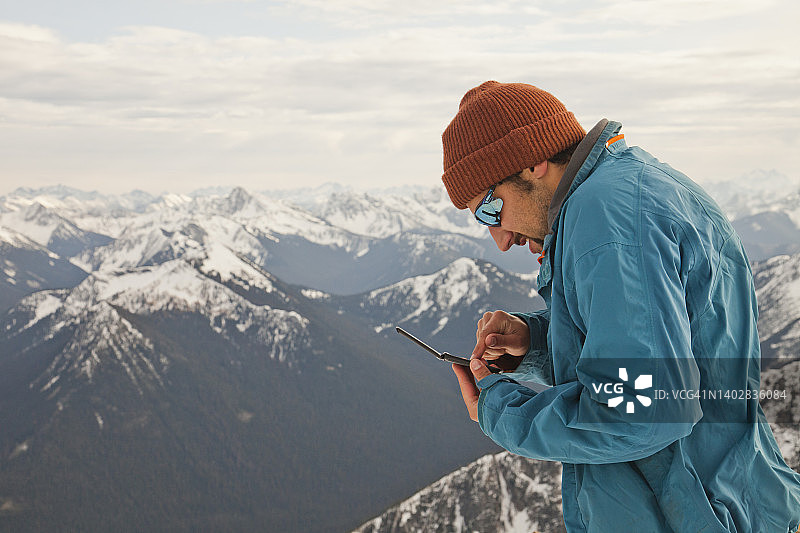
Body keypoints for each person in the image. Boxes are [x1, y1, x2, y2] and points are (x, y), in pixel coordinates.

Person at [442, 81, 800, 532]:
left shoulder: (606, 219)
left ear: (533, 162)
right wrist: (534, 342)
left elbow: (644, 413)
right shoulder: (635, 186)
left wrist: (500, 411)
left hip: (688, 512)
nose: (500, 238)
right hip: (730, 495)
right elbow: (662, 352)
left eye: (491, 211)